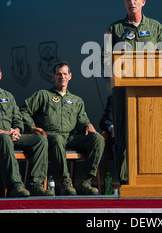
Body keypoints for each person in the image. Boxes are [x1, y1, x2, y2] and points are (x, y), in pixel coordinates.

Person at [104, 0, 162, 184]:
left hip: (151, 92)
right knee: (122, 135)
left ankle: (151, 176)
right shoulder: (114, 29)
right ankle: (125, 180)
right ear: (124, 3)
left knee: (151, 133)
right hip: (123, 91)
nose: (132, 3)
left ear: (143, 2)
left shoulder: (156, 27)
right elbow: (106, 60)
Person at [0, 62, 53, 197]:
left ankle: (35, 185)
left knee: (40, 140)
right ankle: (15, 186)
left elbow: (17, 118)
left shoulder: (8, 96)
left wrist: (17, 130)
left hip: (10, 136)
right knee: (5, 138)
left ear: (0, 76)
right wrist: (6, 133)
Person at [20, 61, 105, 195]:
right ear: (53, 77)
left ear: (70, 76)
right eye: (59, 74)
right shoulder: (43, 95)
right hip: (49, 137)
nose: (62, 77)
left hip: (70, 137)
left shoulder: (77, 100)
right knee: (57, 138)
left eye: (65, 74)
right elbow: (23, 110)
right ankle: (65, 182)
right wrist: (32, 127)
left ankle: (86, 182)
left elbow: (81, 122)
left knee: (98, 139)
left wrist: (87, 125)